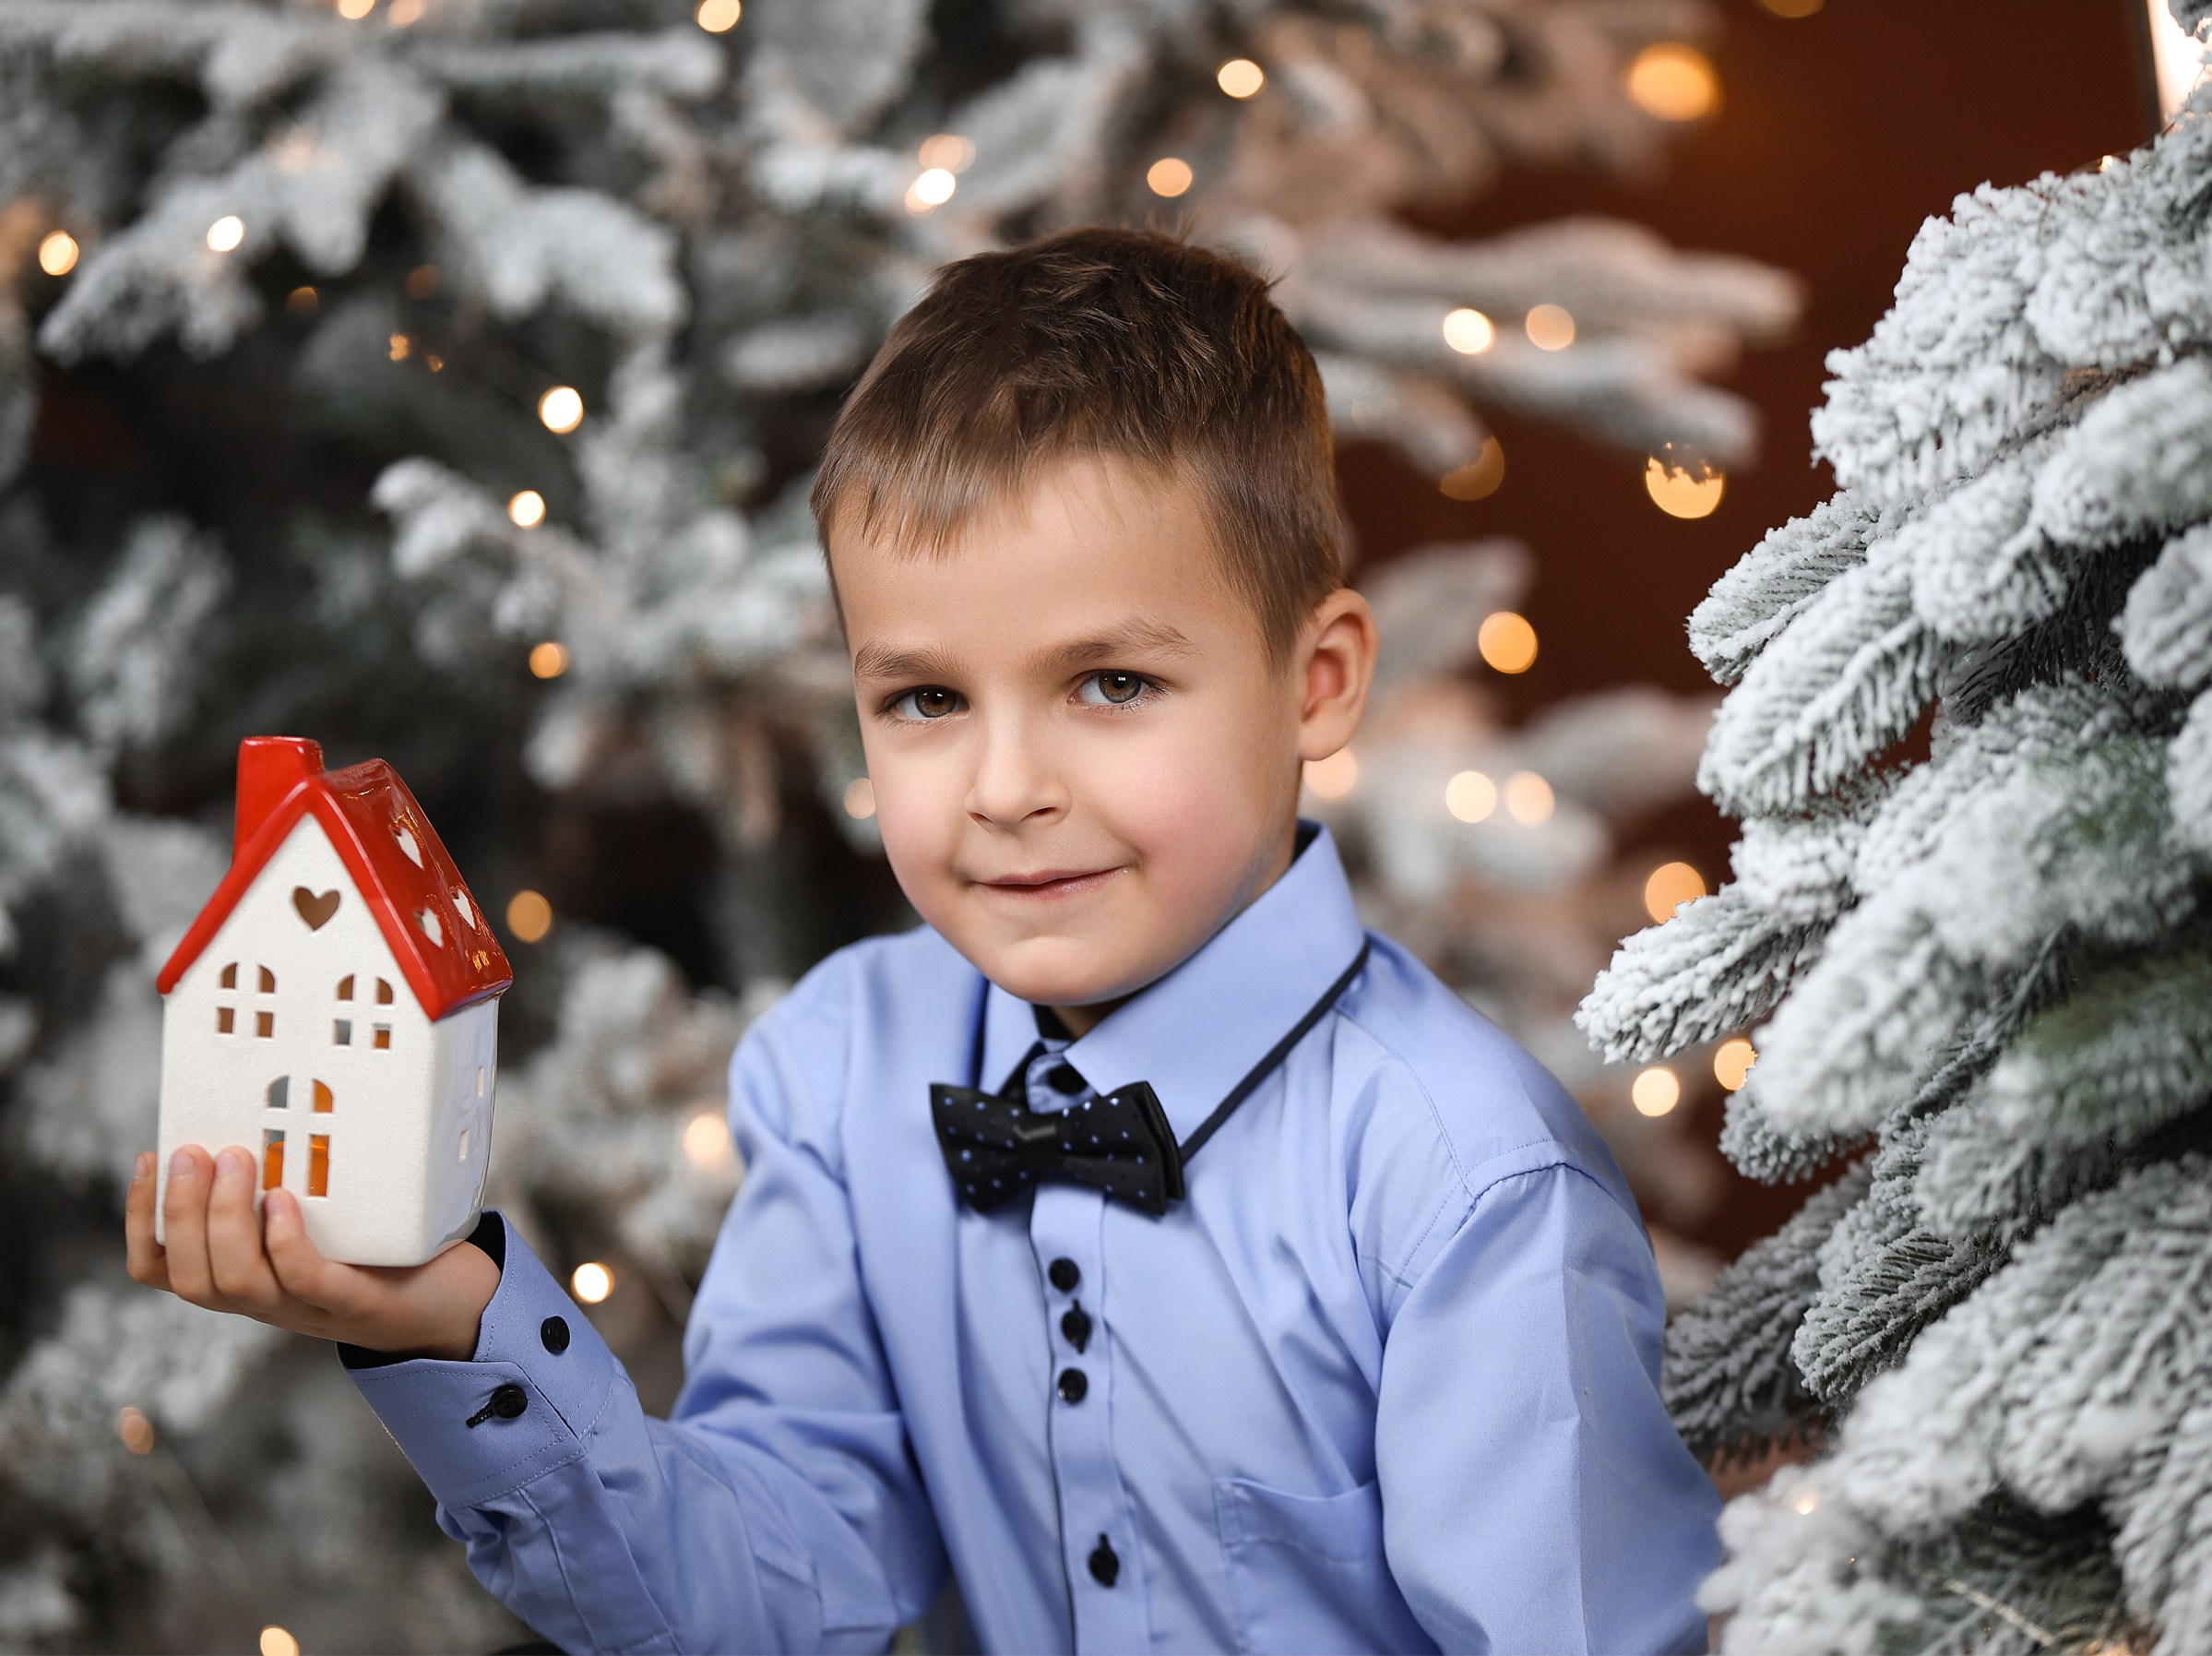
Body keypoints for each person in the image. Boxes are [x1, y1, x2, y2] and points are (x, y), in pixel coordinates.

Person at [128, 225, 1721, 1654]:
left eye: (1110, 683)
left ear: (1315, 684)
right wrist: (455, 1329)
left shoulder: (1461, 1179)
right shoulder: (841, 1074)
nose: (1005, 790)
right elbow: (761, 1598)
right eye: (926, 700)